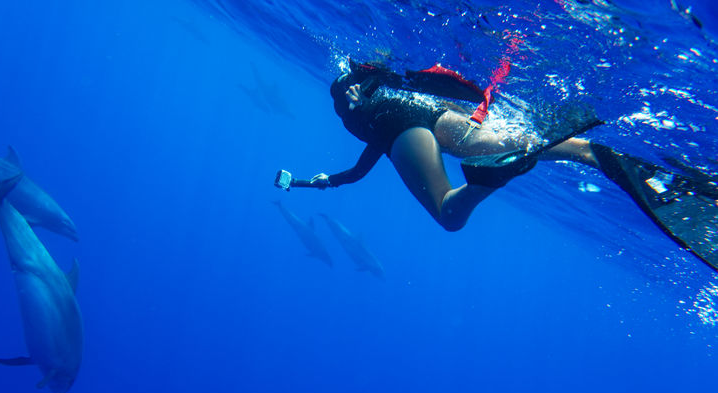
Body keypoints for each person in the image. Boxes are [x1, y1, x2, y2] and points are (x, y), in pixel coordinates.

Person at [290, 59, 718, 272]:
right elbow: (425, 80)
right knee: (549, 144)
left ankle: (489, 180)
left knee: (448, 214)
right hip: (433, 113)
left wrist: (329, 181)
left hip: (401, 132)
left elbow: (366, 163)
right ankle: (602, 156)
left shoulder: (354, 114)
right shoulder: (379, 78)